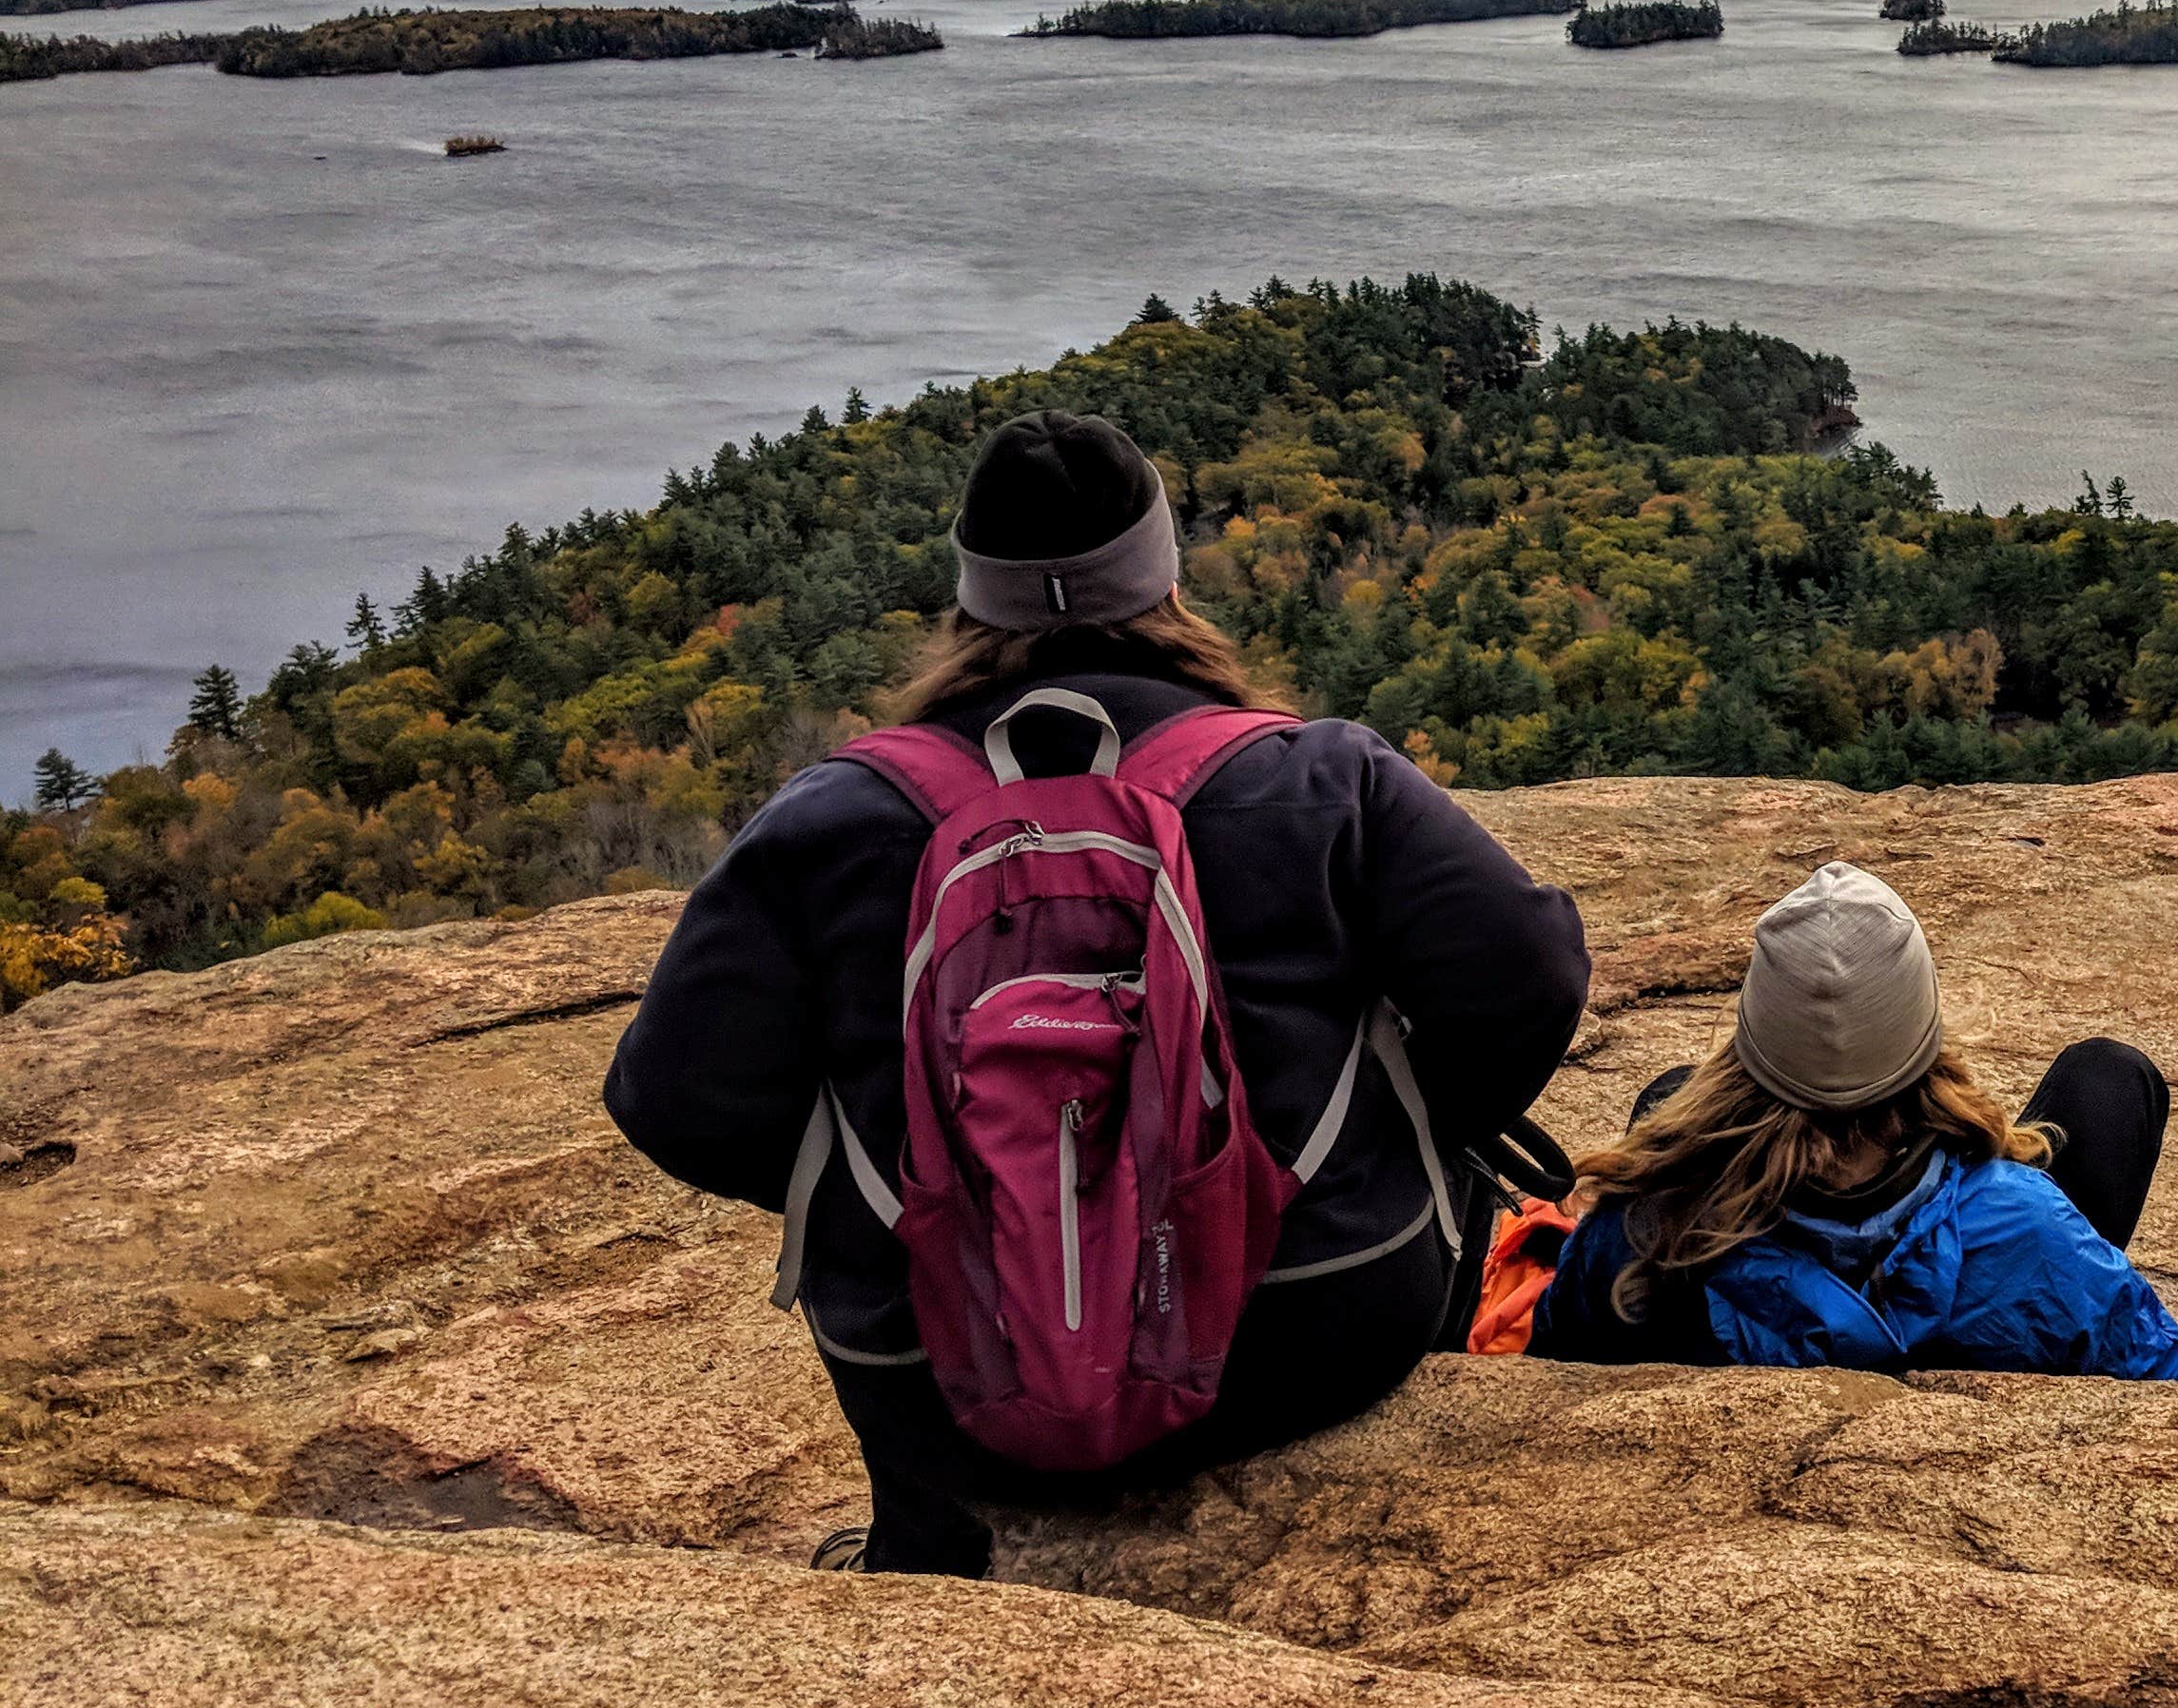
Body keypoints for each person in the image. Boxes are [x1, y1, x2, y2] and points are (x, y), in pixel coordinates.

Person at [605, 408, 1590, 1575]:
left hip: (943, 1371)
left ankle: (925, 1540)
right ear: (1164, 576)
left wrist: (935, 1203)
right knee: (1443, 1159)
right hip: (1312, 1328)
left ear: (970, 595)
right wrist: (1397, 1130)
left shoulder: (830, 820)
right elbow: (1529, 977)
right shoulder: (1321, 777)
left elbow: (672, 1098)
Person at [1532, 863, 2178, 1381]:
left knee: (1668, 1094)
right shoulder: (2031, 1223)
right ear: (1925, 1046)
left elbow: (1557, 1357)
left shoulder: (1647, 1226)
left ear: (1749, 1052)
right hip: (1995, 1290)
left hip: (1709, 1283)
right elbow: (2162, 1380)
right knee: (2108, 1078)